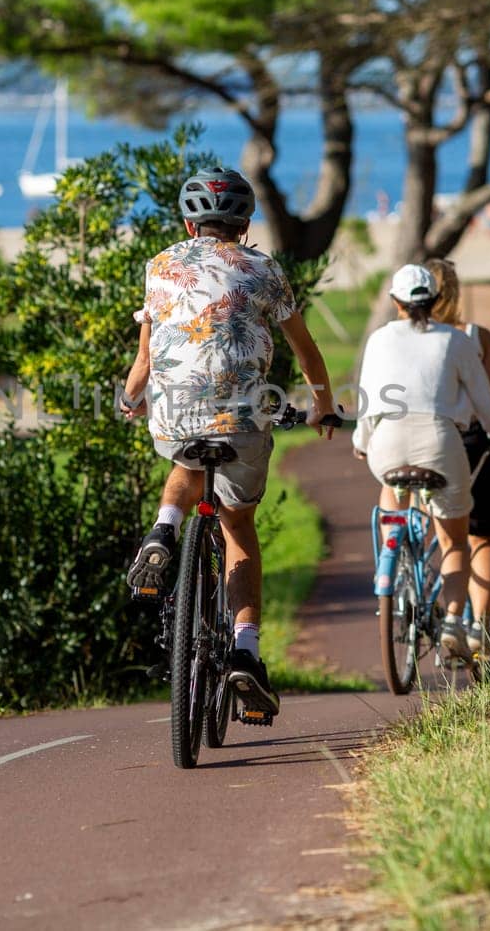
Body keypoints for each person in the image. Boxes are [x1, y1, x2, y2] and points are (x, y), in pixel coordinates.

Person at [120, 166, 337, 718]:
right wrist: (324, 406)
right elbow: (308, 353)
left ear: (189, 224)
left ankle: (164, 530)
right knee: (238, 524)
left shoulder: (161, 266)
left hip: (174, 415)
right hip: (244, 418)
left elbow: (144, 361)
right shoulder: (265, 270)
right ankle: (245, 653)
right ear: (245, 222)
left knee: (186, 456)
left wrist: (129, 401)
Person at [352, 263, 490, 661]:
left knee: (392, 485)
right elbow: (483, 402)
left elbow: (367, 400)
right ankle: (454, 622)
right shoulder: (454, 340)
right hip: (439, 442)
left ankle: (393, 549)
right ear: (435, 300)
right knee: (455, 540)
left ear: (395, 302)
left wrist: (361, 441)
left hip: (385, 444)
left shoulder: (379, 338)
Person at [425, 258, 490, 660]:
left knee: (446, 537)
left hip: (427, 440)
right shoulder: (476, 336)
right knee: (483, 535)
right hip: (473, 443)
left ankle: (448, 615)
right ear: (455, 293)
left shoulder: (414, 337)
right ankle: (479, 628)